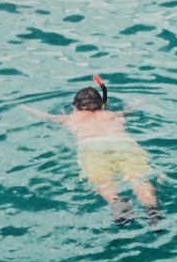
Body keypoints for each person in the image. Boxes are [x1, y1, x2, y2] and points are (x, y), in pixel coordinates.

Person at [26, 76, 159, 225]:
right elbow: (127, 110)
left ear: (74, 106)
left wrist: (28, 108)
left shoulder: (71, 118)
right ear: (102, 104)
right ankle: (152, 211)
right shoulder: (113, 115)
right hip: (123, 144)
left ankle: (117, 204)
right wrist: (132, 105)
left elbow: (47, 117)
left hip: (92, 146)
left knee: (103, 181)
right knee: (137, 178)